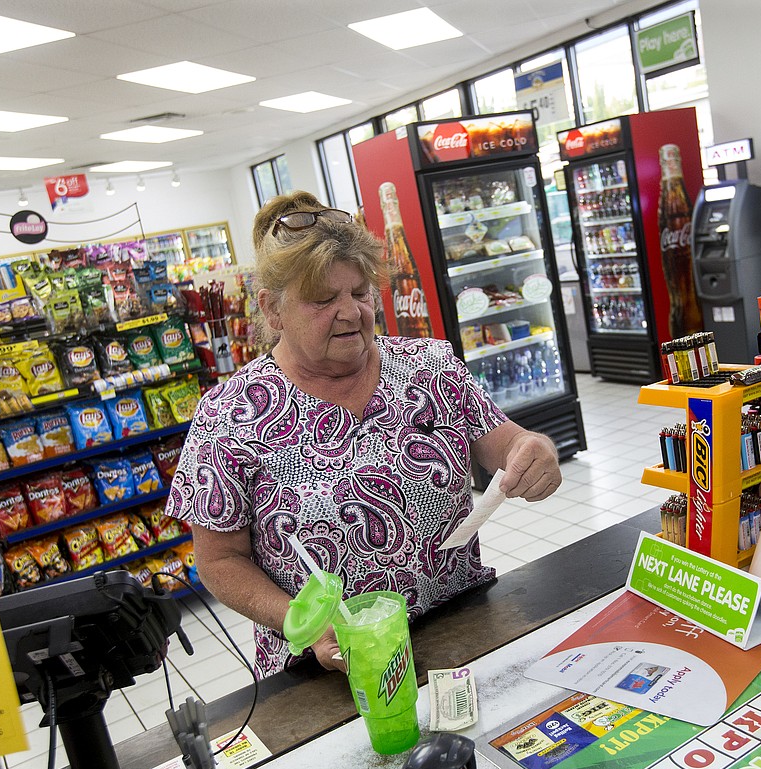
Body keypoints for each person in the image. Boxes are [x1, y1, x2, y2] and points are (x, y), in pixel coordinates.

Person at [165, 191, 562, 677]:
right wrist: (303, 622)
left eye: (359, 292)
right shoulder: (230, 415)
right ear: (272, 310)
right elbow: (220, 560)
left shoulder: (428, 367)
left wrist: (534, 448)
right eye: (323, 300)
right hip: (328, 668)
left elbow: (508, 442)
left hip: (459, 630)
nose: (351, 312)